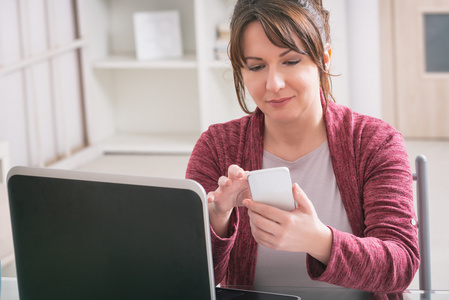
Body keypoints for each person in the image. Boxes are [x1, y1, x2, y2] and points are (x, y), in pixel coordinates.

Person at [186, 0, 419, 294]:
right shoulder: (217, 147)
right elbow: (189, 277)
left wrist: (318, 240)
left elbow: (400, 266)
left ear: (324, 58)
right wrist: (217, 220)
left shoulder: (374, 141)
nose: (274, 83)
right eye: (256, 66)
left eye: (291, 61)